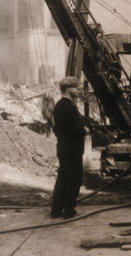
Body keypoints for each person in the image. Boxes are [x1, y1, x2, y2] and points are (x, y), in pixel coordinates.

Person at [51, 76, 86, 219]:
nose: (78, 90)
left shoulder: (59, 106)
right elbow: (77, 130)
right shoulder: (70, 107)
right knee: (74, 179)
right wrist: (85, 130)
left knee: (63, 179)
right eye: (76, 88)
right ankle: (69, 210)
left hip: (63, 147)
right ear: (67, 89)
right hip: (73, 149)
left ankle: (56, 210)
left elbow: (57, 129)